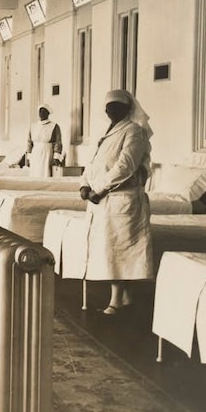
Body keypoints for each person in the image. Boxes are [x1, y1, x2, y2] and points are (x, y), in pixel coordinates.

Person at [79, 89, 154, 316]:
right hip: (106, 199)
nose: (110, 110)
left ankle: (117, 299)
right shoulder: (108, 133)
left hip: (122, 198)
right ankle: (125, 296)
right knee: (112, 248)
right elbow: (92, 164)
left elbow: (125, 166)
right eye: (108, 107)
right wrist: (84, 184)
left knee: (120, 248)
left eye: (116, 107)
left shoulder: (134, 132)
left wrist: (99, 189)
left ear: (127, 109)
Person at [26, 103, 63, 177]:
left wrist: (56, 157)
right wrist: (28, 157)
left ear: (48, 113)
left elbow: (58, 142)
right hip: (35, 153)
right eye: (40, 111)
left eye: (44, 111)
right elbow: (29, 142)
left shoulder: (54, 126)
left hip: (47, 152)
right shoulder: (33, 126)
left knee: (45, 173)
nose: (41, 113)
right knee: (35, 173)